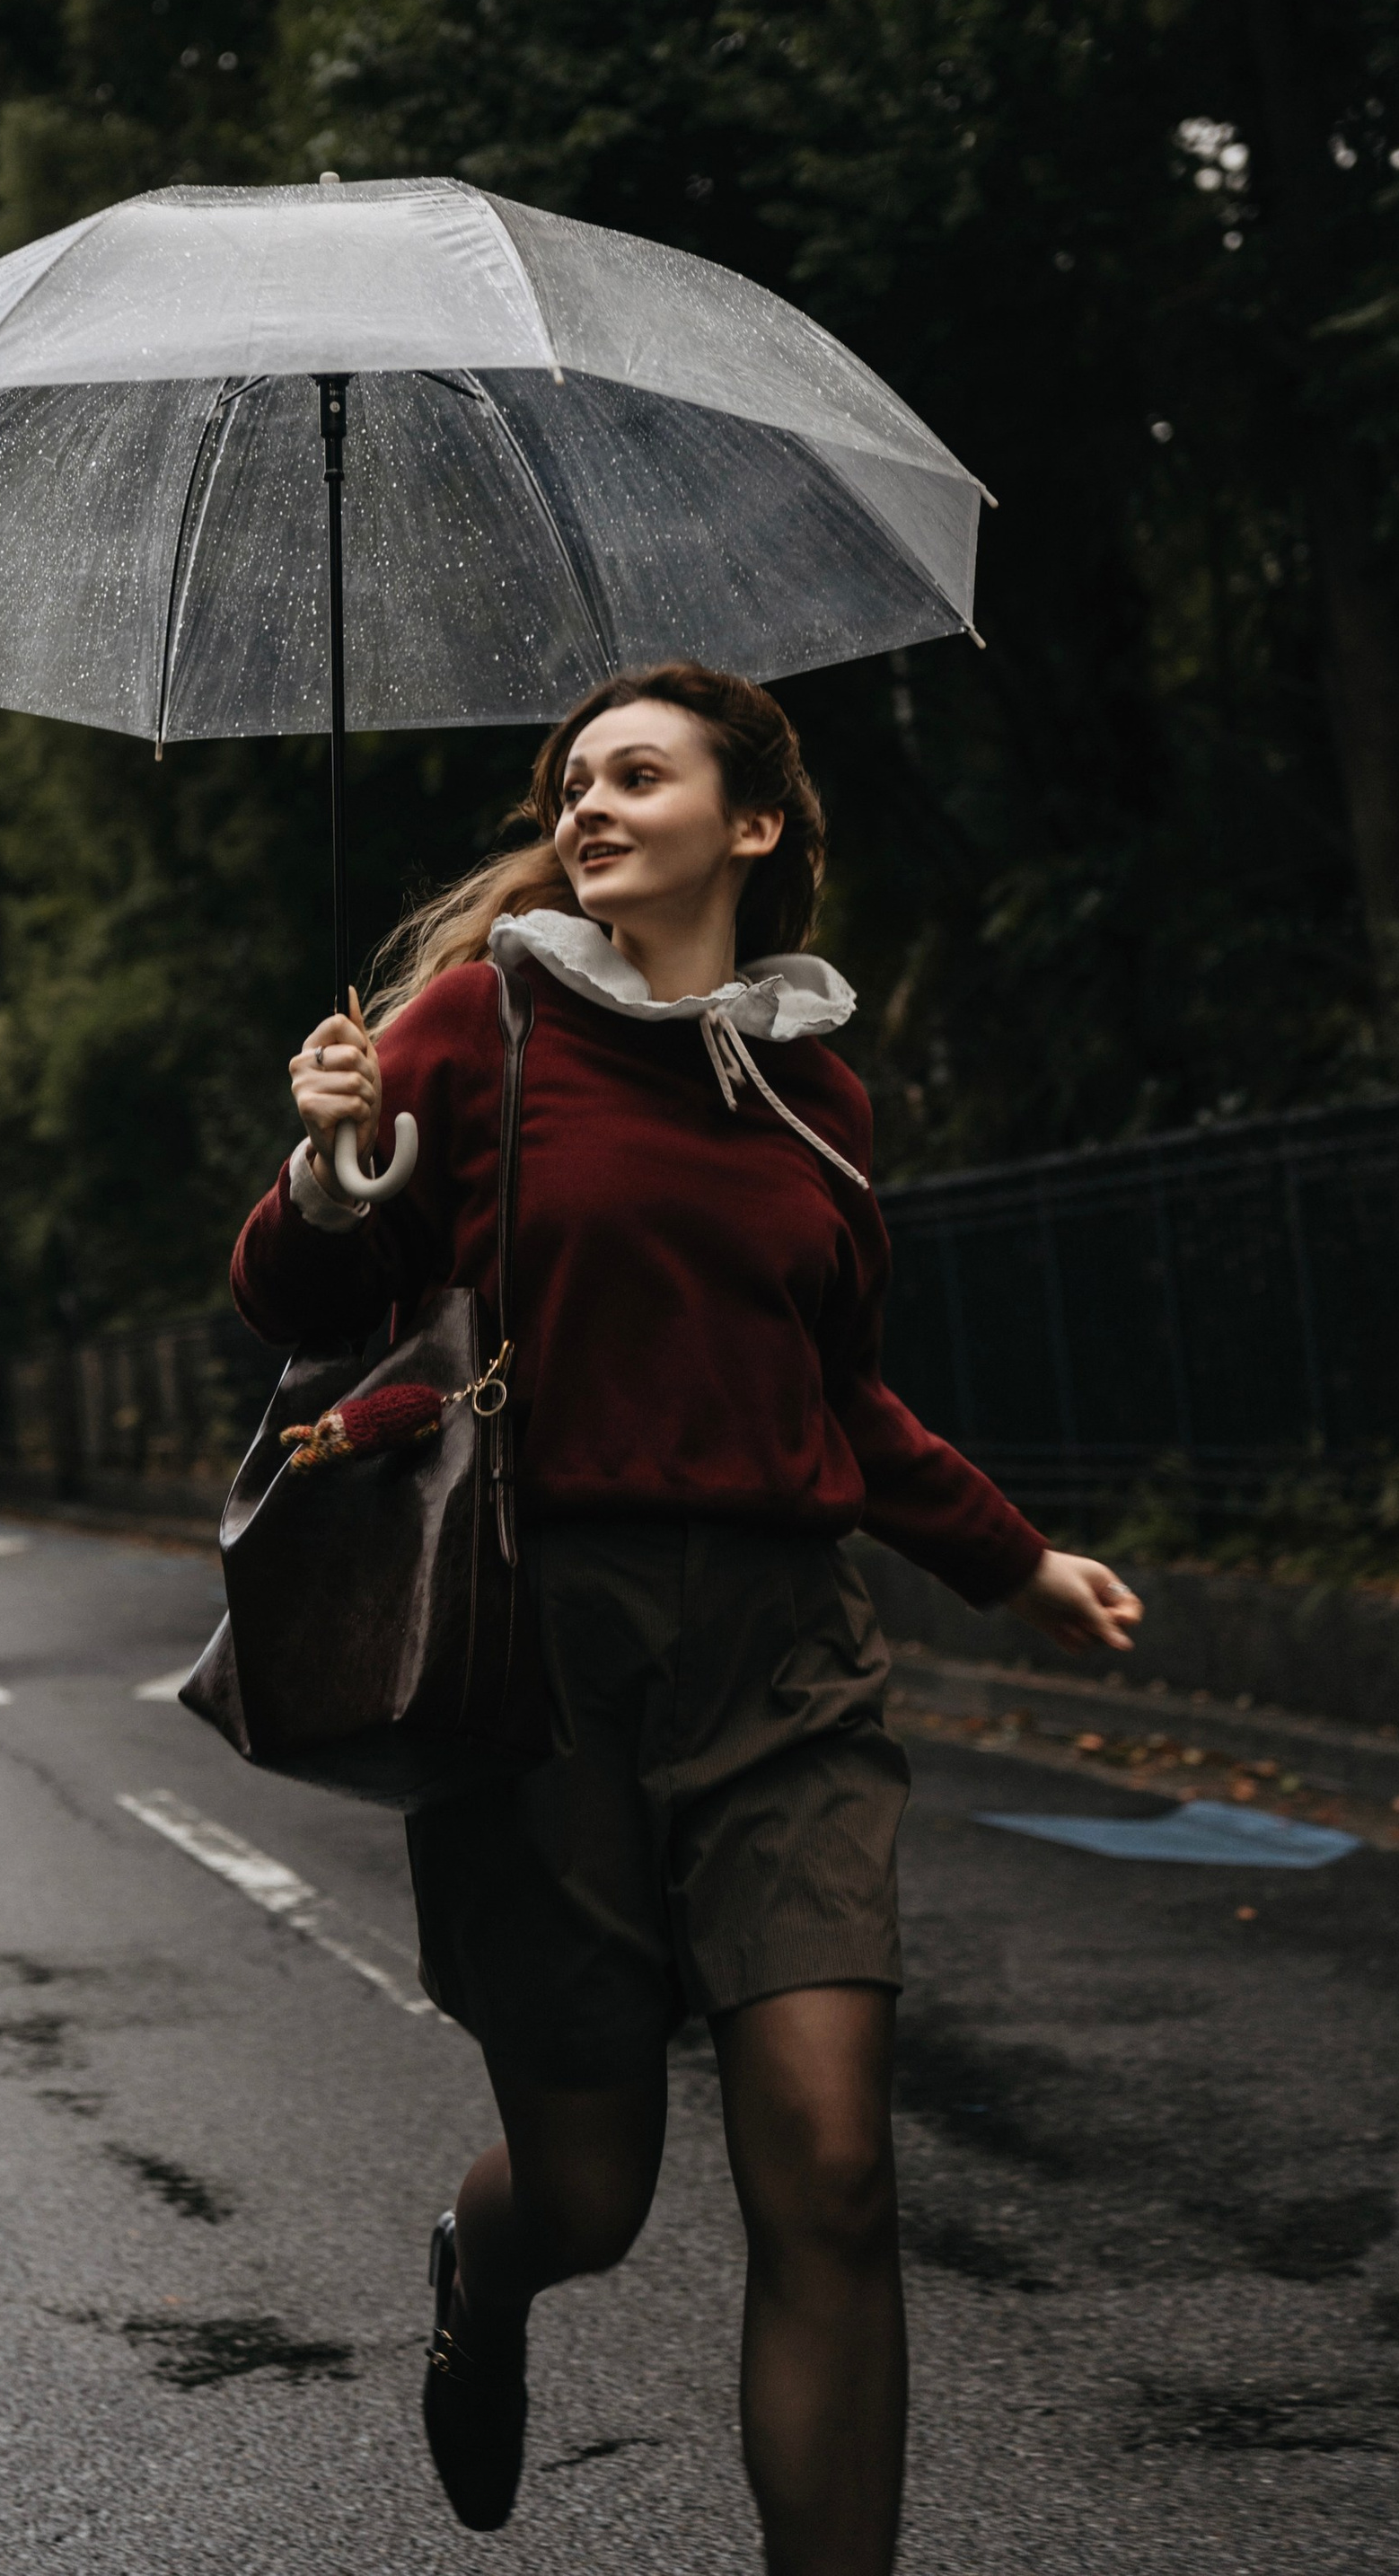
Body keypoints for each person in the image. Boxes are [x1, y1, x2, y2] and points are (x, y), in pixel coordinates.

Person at [229, 661, 1140, 2575]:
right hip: (535, 1661)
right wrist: (329, 1157)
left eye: (635, 775)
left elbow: (839, 1393)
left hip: (782, 1662)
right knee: (591, 2191)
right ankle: (486, 2274)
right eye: (570, 783)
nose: (586, 806)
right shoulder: (479, 1029)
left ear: (751, 825)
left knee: (828, 2167)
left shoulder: (809, 1085)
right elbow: (306, 1303)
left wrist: (1007, 1558)